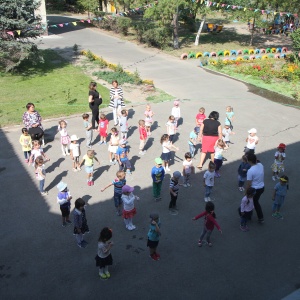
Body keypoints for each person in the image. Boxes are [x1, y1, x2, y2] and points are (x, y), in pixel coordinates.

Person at [246, 153, 265, 223]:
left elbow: (249, 183)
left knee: (251, 202)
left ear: (249, 161)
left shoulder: (250, 171)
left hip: (254, 189)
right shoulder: (261, 165)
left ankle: (250, 216)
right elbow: (259, 162)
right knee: (255, 201)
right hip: (261, 187)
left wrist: (246, 193)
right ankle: (260, 217)